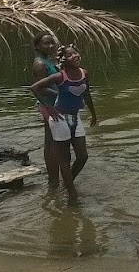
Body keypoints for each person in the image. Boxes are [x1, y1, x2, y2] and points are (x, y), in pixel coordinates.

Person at [30, 44, 98, 188]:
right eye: (69, 55)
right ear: (64, 60)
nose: (74, 56)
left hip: (75, 117)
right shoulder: (60, 76)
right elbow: (35, 87)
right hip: (59, 118)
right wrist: (48, 107)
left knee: (82, 156)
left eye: (75, 53)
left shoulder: (84, 73)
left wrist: (94, 114)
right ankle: (71, 193)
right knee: (65, 157)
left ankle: (68, 183)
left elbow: (87, 94)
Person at [31, 32, 61, 186]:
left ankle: (53, 177)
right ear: (37, 46)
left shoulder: (47, 60)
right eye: (46, 44)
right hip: (48, 105)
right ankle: (53, 178)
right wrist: (59, 92)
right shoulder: (40, 64)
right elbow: (40, 88)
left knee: (51, 141)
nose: (50, 46)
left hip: (51, 104)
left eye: (51, 43)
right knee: (52, 142)